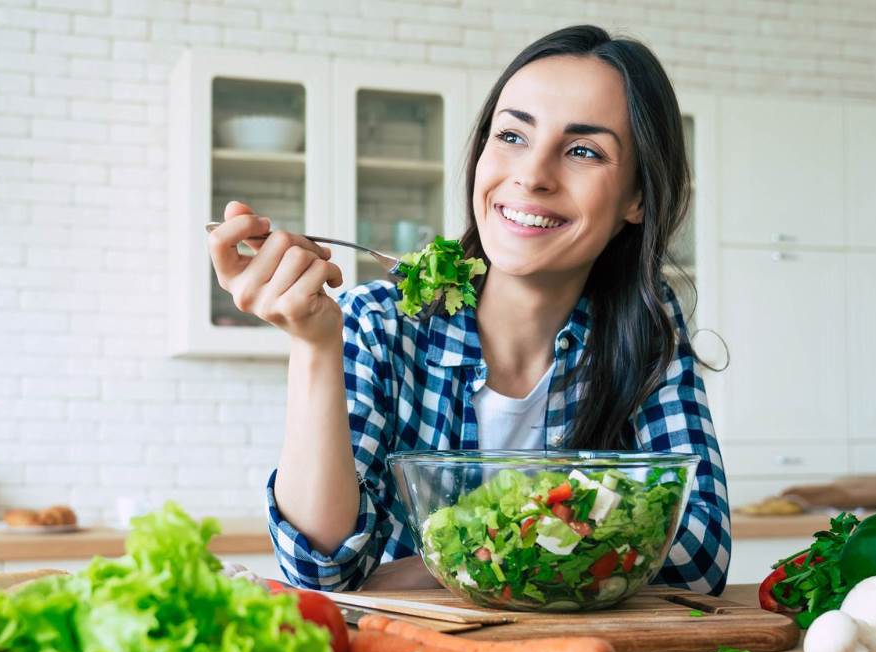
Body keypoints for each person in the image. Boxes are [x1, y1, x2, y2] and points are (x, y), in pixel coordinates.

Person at [207, 25, 730, 595]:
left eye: (583, 150)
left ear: (637, 198)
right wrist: (312, 344)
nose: (532, 175)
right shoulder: (379, 323)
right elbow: (324, 569)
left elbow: (698, 556)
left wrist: (442, 562)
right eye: (511, 136)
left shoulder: (647, 329)